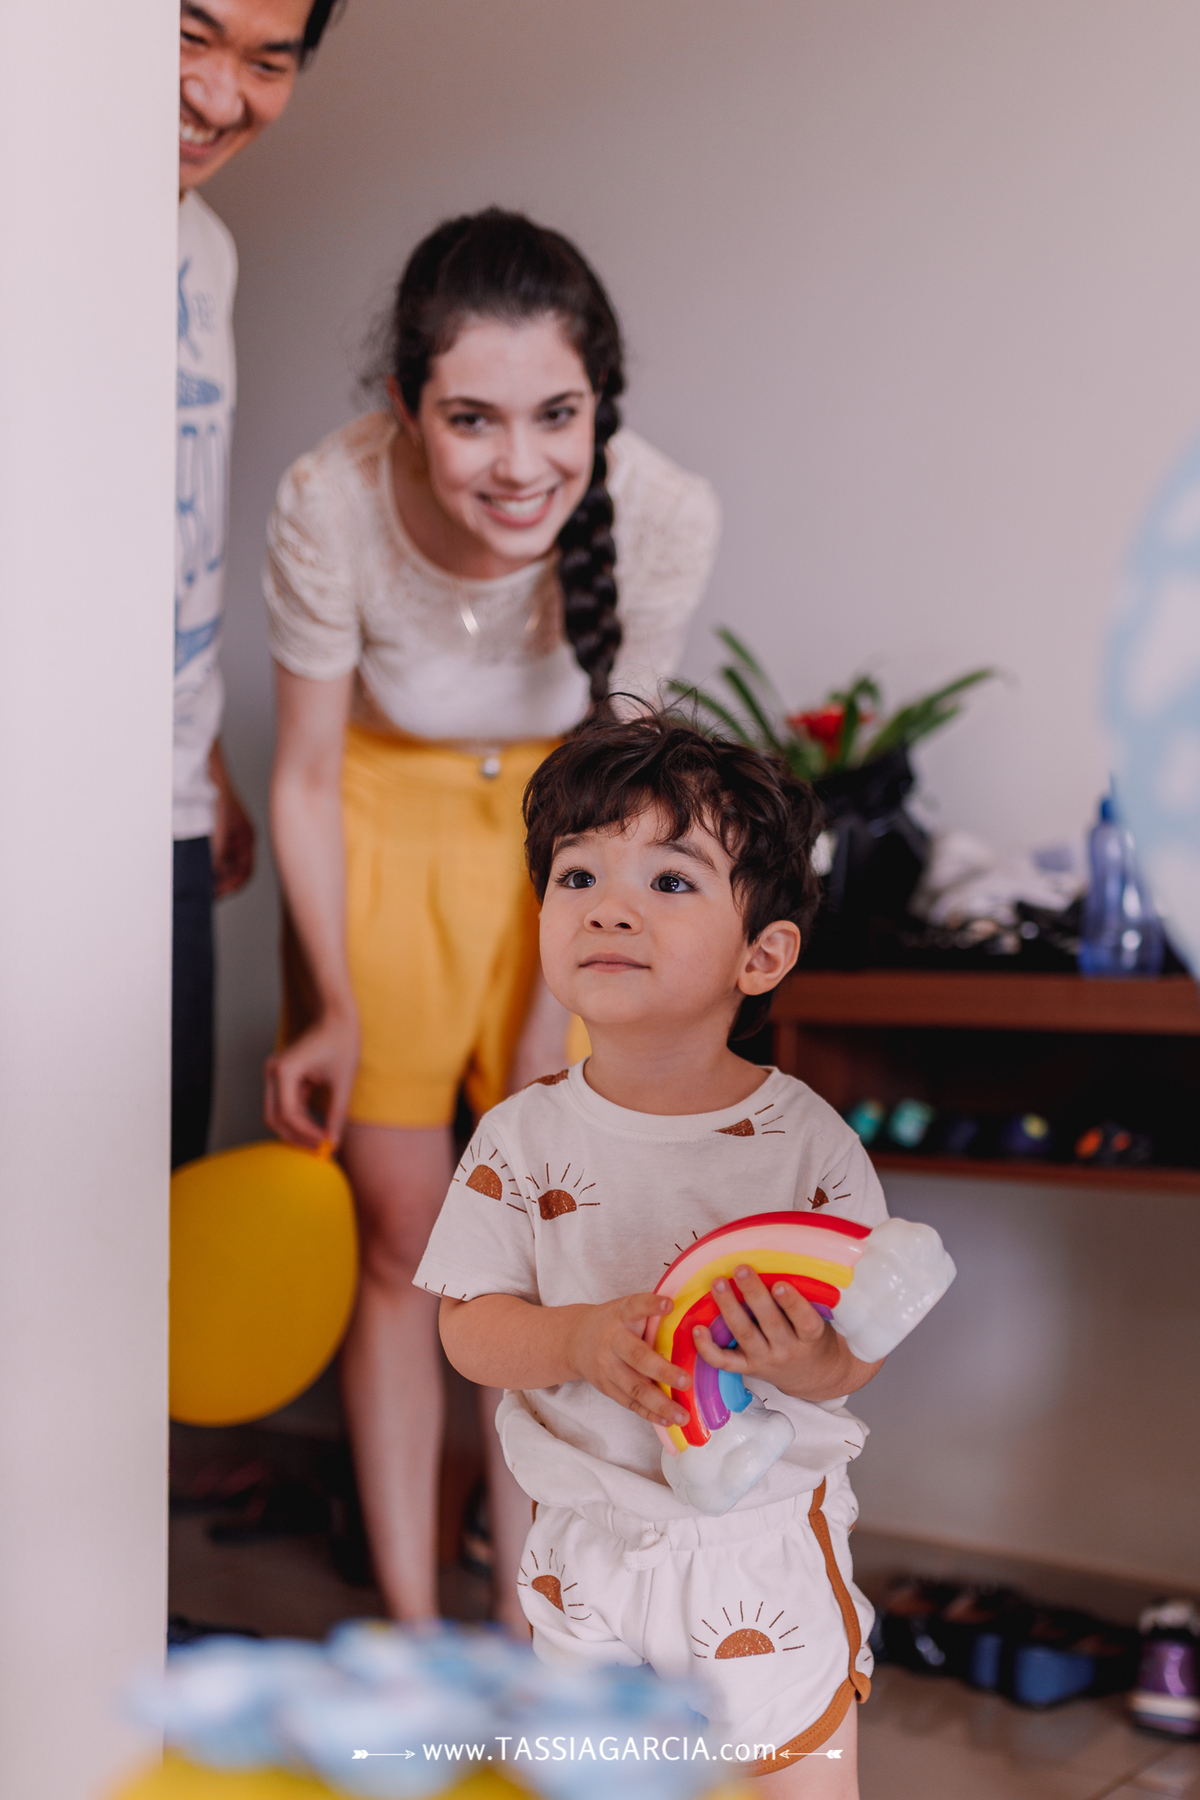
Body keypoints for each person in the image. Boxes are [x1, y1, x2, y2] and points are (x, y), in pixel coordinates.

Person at [262, 209, 720, 1628]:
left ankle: (528, 1621)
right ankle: (411, 1627)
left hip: (572, 845)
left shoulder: (663, 513)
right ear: (407, 409)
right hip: (380, 830)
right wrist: (332, 1002)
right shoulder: (328, 498)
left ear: (601, 409)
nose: (519, 464)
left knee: (538, 1239)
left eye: (556, 416)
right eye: (471, 418)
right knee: (404, 1235)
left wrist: (550, 1019)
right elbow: (301, 773)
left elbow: (622, 795)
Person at [417, 713, 885, 1797]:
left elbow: (854, 1354)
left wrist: (795, 1360)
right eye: (578, 875)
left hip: (758, 1553)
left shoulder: (807, 1143)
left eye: (669, 882)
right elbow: (469, 1327)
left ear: (761, 955)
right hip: (588, 1551)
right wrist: (576, 1338)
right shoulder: (519, 1138)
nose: (609, 905)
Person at [173, 0, 343, 1167]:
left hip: (164, 809)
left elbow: (162, 537)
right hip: (35, 809)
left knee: (141, 1209)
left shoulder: (207, 250)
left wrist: (206, 754)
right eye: (187, 36)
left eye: (267, 60)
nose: (221, 97)